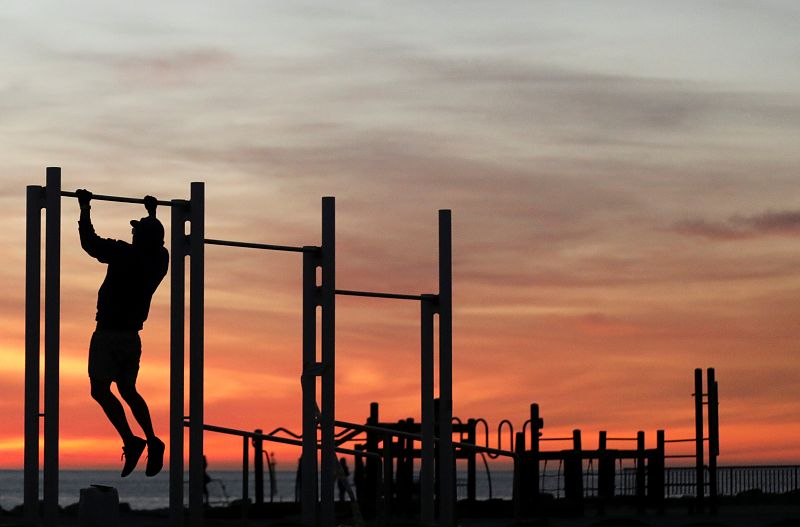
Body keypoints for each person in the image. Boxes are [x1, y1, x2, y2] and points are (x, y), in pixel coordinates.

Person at [76, 189, 169, 477]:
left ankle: (132, 440)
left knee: (100, 390)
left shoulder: (123, 254)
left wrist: (85, 208)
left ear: (140, 239)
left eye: (136, 232)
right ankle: (152, 440)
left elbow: (90, 244)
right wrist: (153, 215)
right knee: (127, 390)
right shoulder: (160, 261)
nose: (132, 235)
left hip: (108, 334)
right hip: (131, 338)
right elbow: (156, 241)